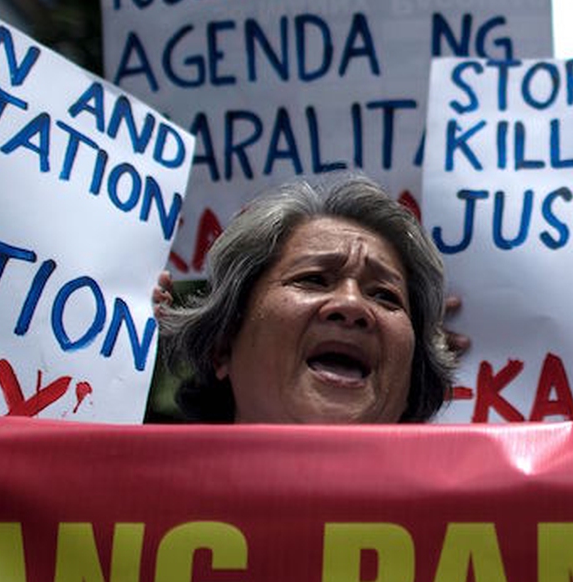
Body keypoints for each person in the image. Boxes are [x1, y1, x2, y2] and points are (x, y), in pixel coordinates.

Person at [161, 175, 457, 424]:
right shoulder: (138, 477)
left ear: (413, 375)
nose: (352, 305)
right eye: (313, 280)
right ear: (223, 346)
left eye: (384, 295)